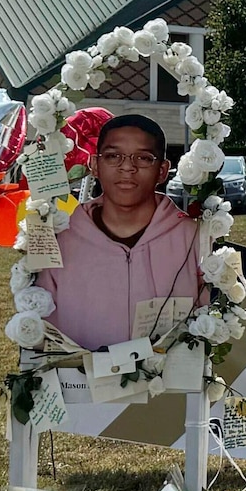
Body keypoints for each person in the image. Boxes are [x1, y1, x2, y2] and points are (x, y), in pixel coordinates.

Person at [34, 113, 202, 350]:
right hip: (79, 383)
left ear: (163, 171)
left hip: (168, 384)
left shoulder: (193, 238)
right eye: (113, 156)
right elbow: (41, 327)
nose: (127, 167)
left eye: (143, 158)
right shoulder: (61, 237)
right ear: (94, 165)